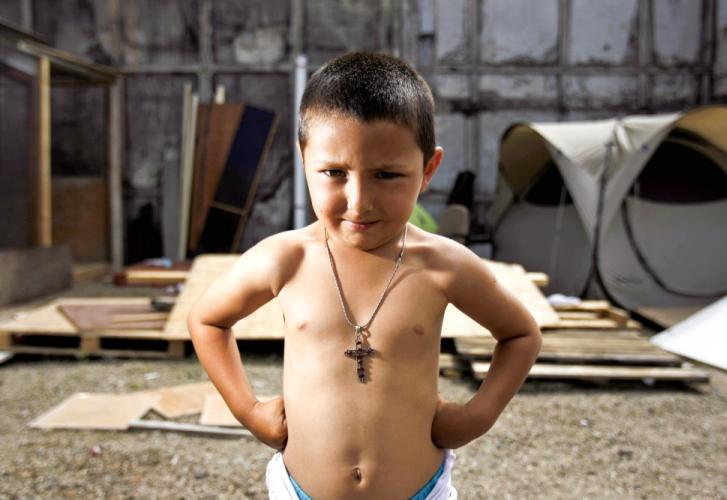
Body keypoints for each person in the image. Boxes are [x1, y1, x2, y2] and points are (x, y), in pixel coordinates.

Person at [188, 51, 542, 499]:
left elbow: (520, 334)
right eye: (334, 173)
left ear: (428, 169)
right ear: (304, 159)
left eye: (387, 175)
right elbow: (207, 320)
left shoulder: (443, 264)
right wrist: (249, 410)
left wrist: (478, 415)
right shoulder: (286, 258)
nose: (359, 201)